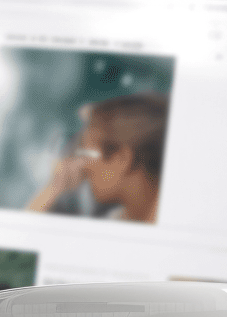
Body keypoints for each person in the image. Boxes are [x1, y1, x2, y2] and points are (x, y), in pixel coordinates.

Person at [27, 93, 168, 223]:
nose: (82, 164)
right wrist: (55, 188)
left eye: (86, 153)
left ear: (121, 159)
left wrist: (52, 189)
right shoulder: (119, 220)